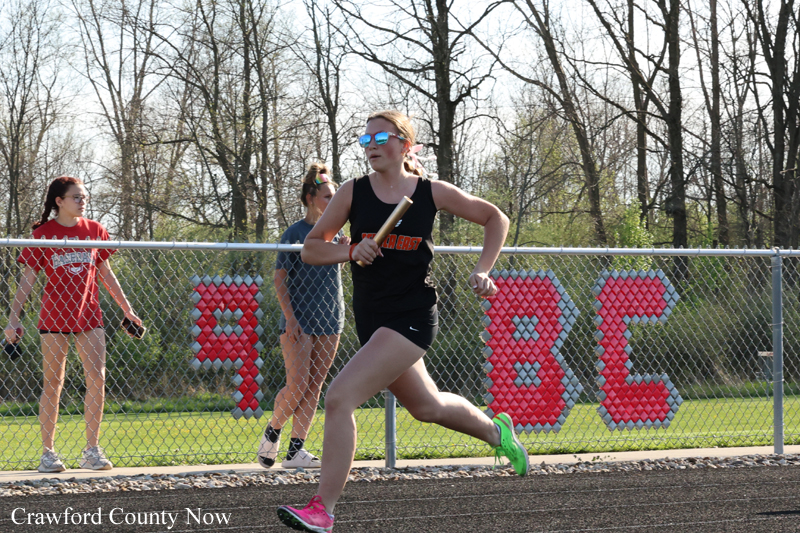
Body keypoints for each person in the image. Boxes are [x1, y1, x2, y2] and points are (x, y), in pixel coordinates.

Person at [276, 111, 528, 532]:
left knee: (339, 398)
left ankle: (323, 510)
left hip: (412, 318)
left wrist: (484, 269)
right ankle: (497, 432)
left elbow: (495, 219)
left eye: (380, 136)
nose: (371, 144)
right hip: (373, 321)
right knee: (426, 407)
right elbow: (311, 250)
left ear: (405, 145)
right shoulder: (353, 194)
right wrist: (350, 251)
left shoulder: (430, 193)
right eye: (365, 138)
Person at [4, 176, 143, 473]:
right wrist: (13, 318)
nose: (83, 201)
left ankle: (92, 450)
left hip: (89, 316)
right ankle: (48, 453)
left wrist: (127, 309)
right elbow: (27, 280)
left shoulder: (94, 230)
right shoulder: (43, 234)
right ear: (59, 201)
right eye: (76, 197)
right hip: (54, 317)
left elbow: (105, 274)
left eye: (84, 197)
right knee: (53, 383)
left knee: (97, 377)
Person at [257, 163, 349, 469]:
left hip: (331, 318)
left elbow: (331, 273)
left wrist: (345, 252)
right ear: (310, 198)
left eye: (334, 197)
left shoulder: (336, 234)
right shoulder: (295, 233)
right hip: (299, 320)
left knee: (315, 386)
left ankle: (296, 452)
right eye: (327, 197)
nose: (332, 203)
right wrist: (291, 318)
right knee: (297, 384)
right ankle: (273, 430)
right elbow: (279, 279)